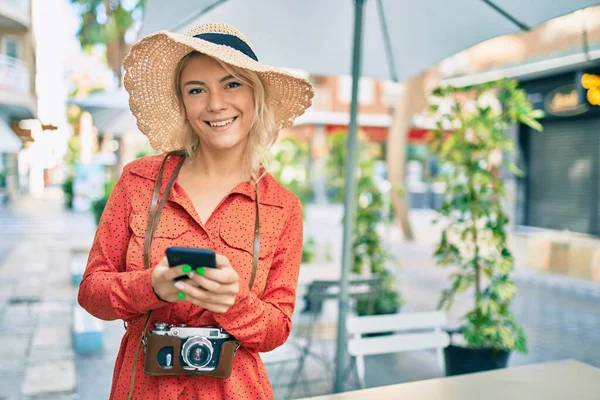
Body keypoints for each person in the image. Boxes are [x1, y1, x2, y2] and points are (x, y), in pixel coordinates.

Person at [78, 22, 314, 400]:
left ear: (256, 94)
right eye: (196, 90)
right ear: (183, 104)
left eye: (231, 83)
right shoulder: (138, 181)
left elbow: (277, 329)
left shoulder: (281, 207)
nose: (215, 103)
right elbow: (91, 291)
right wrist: (150, 287)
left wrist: (234, 304)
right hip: (144, 389)